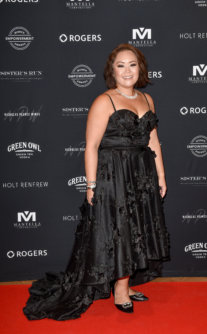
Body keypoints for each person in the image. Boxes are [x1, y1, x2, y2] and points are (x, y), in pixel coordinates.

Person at [23, 43, 170, 321]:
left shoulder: (148, 100)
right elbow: (91, 146)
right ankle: (121, 289)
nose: (127, 70)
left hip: (142, 174)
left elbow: (152, 140)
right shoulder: (105, 101)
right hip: (113, 175)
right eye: (120, 65)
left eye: (133, 64)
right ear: (111, 71)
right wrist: (91, 185)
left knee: (137, 228)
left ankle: (123, 282)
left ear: (141, 68)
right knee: (120, 230)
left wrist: (161, 176)